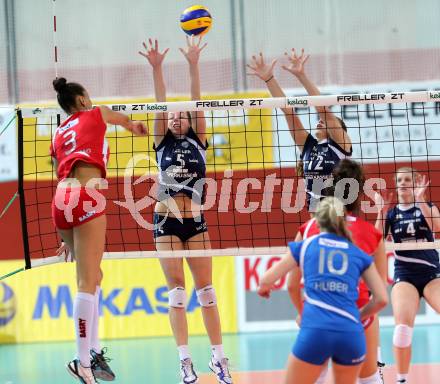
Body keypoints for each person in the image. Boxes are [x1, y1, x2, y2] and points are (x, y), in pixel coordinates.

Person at [139, 37, 232, 384]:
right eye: (173, 116)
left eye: (183, 115)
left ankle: (219, 358)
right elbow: (160, 104)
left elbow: (197, 101)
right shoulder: (162, 141)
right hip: (165, 221)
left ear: (191, 121)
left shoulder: (199, 141)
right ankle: (184, 361)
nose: (177, 117)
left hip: (196, 222)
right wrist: (157, 68)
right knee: (177, 292)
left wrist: (194, 64)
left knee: (206, 291)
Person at [51, 77, 147, 384]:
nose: (90, 100)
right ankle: (82, 362)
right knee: (87, 282)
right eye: (87, 96)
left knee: (95, 278)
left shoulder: (58, 133)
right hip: (88, 194)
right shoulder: (95, 113)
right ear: (80, 100)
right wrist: (134, 127)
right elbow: (122, 120)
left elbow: (61, 171)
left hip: (61, 199)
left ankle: (92, 352)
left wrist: (67, 236)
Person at [258, 197, 388, 384]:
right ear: (343, 221)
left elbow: (268, 281)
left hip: (316, 329)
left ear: (318, 221)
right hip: (350, 332)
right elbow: (382, 299)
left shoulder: (306, 245)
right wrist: (357, 317)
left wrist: (265, 289)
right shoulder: (358, 253)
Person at [288, 159, 388, 384]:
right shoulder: (372, 234)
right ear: (359, 195)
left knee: (315, 377)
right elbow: (380, 292)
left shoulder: (308, 229)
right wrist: (357, 317)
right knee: (369, 378)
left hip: (318, 315)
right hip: (355, 316)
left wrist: (303, 312)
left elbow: (291, 284)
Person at [247, 49, 352, 211]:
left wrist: (302, 76)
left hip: (338, 215)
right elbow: (288, 111)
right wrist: (269, 79)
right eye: (320, 120)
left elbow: (322, 108)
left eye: (327, 121)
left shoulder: (340, 146)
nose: (320, 120)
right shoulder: (309, 146)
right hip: (315, 216)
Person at [375, 167, 440, 384]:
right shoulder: (392, 214)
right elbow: (376, 240)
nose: (403, 183)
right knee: (402, 328)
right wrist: (381, 212)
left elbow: (437, 226)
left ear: (415, 183)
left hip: (432, 274)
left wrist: (421, 200)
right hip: (405, 275)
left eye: (407, 179)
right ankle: (402, 380)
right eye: (399, 180)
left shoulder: (427, 207)